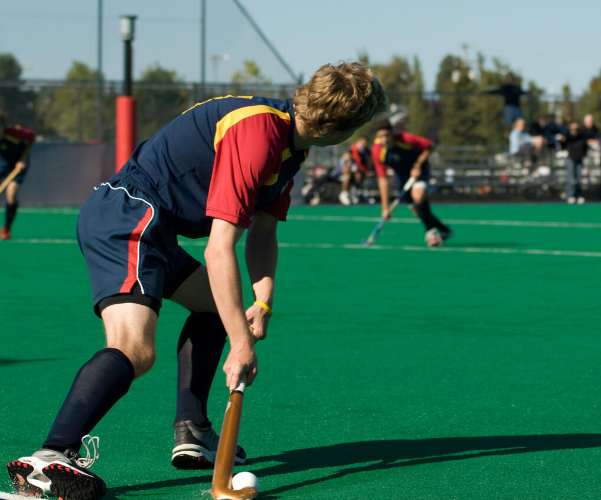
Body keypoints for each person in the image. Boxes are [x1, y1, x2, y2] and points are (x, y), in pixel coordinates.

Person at [6, 62, 388, 500]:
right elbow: (219, 248)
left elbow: (263, 232)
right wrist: (240, 343)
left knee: (211, 306)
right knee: (134, 348)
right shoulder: (259, 134)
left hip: (153, 225)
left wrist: (261, 304)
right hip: (130, 215)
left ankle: (193, 429)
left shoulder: (289, 145)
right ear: (343, 127)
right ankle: (49, 458)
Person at [371, 119, 452, 247]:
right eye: (381, 136)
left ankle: (431, 233)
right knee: (416, 210)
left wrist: (418, 165)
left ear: (392, 133)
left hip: (419, 168)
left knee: (418, 196)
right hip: (402, 176)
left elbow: (430, 146)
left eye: (386, 135)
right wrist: (385, 208)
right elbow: (383, 179)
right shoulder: (377, 151)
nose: (384, 139)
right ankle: (444, 230)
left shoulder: (405, 139)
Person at [0, 111, 36, 240]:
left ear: (3, 126)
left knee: (12, 192)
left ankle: (6, 228)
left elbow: (32, 137)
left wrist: (23, 158)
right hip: (2, 161)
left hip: (18, 163)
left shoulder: (15, 134)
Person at [558, 121, 590, 204]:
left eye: (576, 129)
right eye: (572, 129)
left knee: (579, 178)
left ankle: (578, 195)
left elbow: (585, 147)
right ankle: (570, 195)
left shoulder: (582, 137)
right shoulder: (567, 136)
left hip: (579, 159)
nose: (574, 131)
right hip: (570, 158)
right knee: (571, 178)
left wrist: (583, 155)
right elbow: (562, 145)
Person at [338, 136, 373, 205]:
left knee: (358, 175)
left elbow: (355, 167)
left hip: (352, 175)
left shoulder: (363, 151)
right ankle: (343, 194)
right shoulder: (346, 158)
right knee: (347, 175)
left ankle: (357, 192)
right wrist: (365, 171)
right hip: (339, 175)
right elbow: (343, 170)